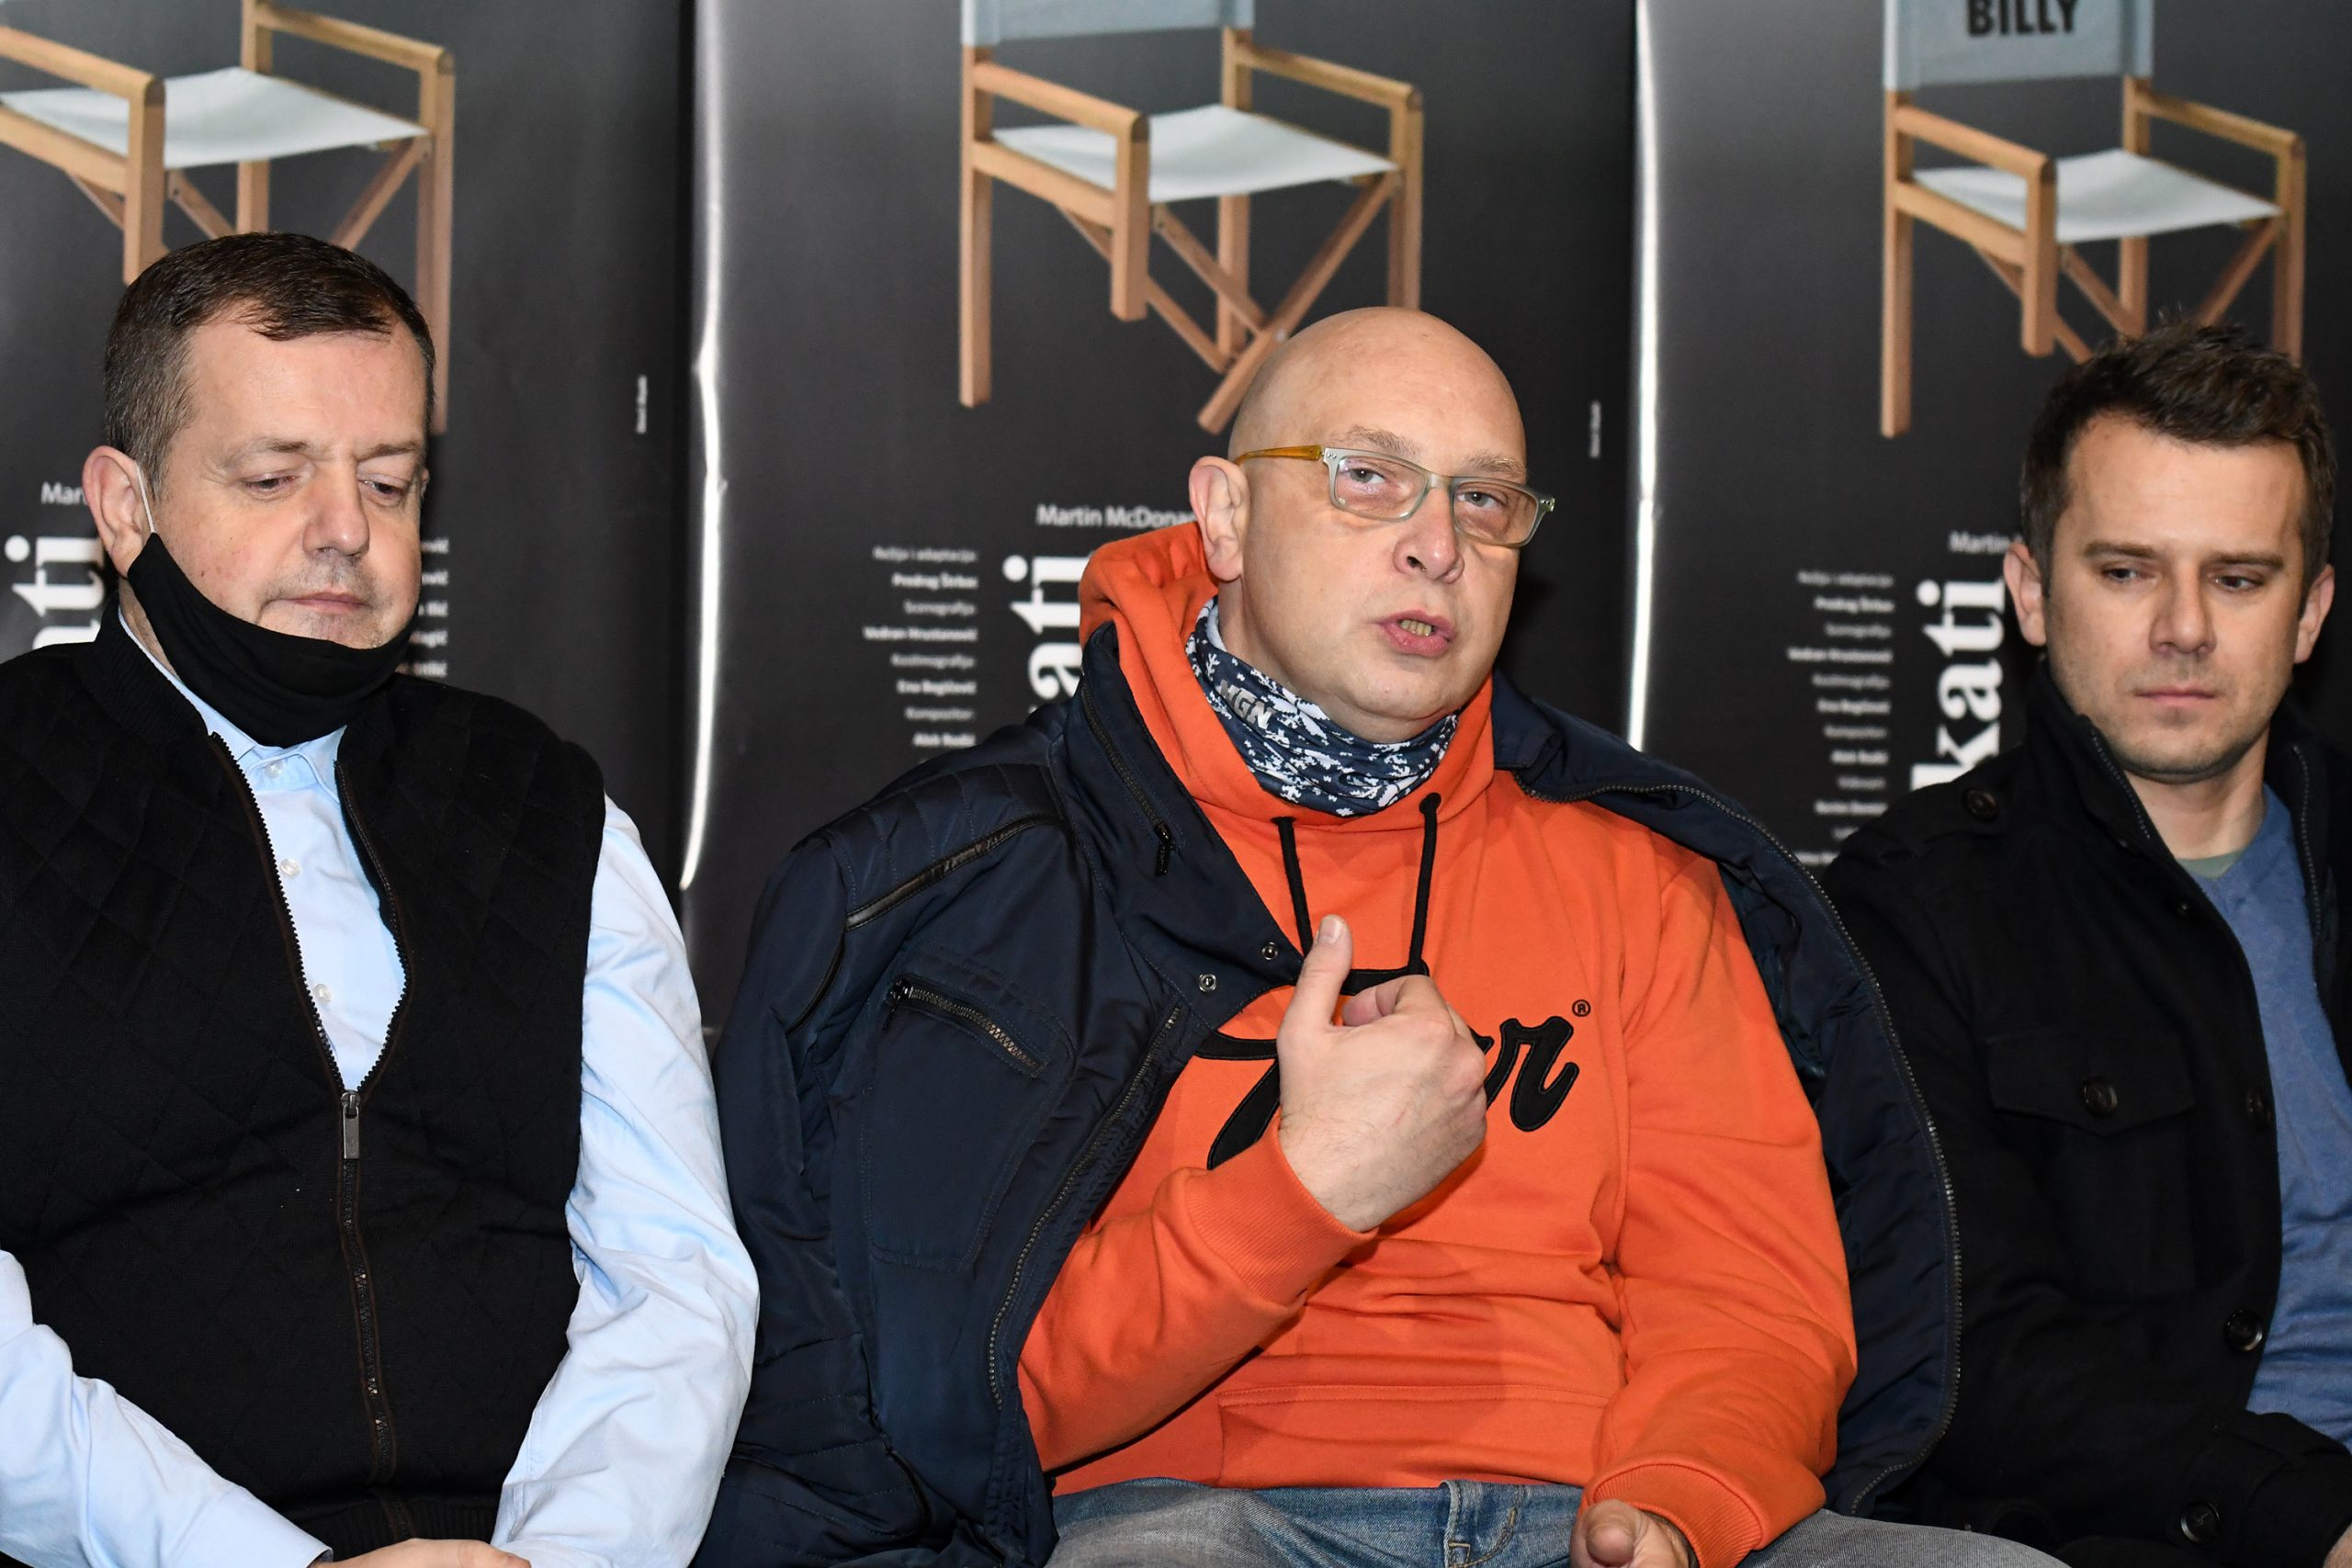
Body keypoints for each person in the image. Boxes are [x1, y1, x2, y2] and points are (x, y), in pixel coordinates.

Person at [701, 308, 2050, 1567]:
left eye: (1484, 500)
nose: (1437, 546)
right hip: (1200, 1522)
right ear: (1227, 516)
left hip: (1593, 1508)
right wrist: (1305, 1192)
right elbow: (947, 1399)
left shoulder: (1642, 872)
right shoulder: (1004, 874)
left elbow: (1751, 1298)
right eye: (1368, 479)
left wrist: (1676, 1505)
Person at [0, 233, 756, 1568]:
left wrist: (557, 1559)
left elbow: (676, 1274)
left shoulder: (545, 804)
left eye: (389, 480)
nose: (345, 529)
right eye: (273, 476)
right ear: (124, 508)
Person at [1825, 322, 2352, 1568]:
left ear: (2311, 612)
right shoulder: (1913, 908)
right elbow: (1978, 1355)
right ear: (2029, 592)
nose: (2183, 627)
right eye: (2125, 572)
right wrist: (2314, 1515)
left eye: (2239, 579)